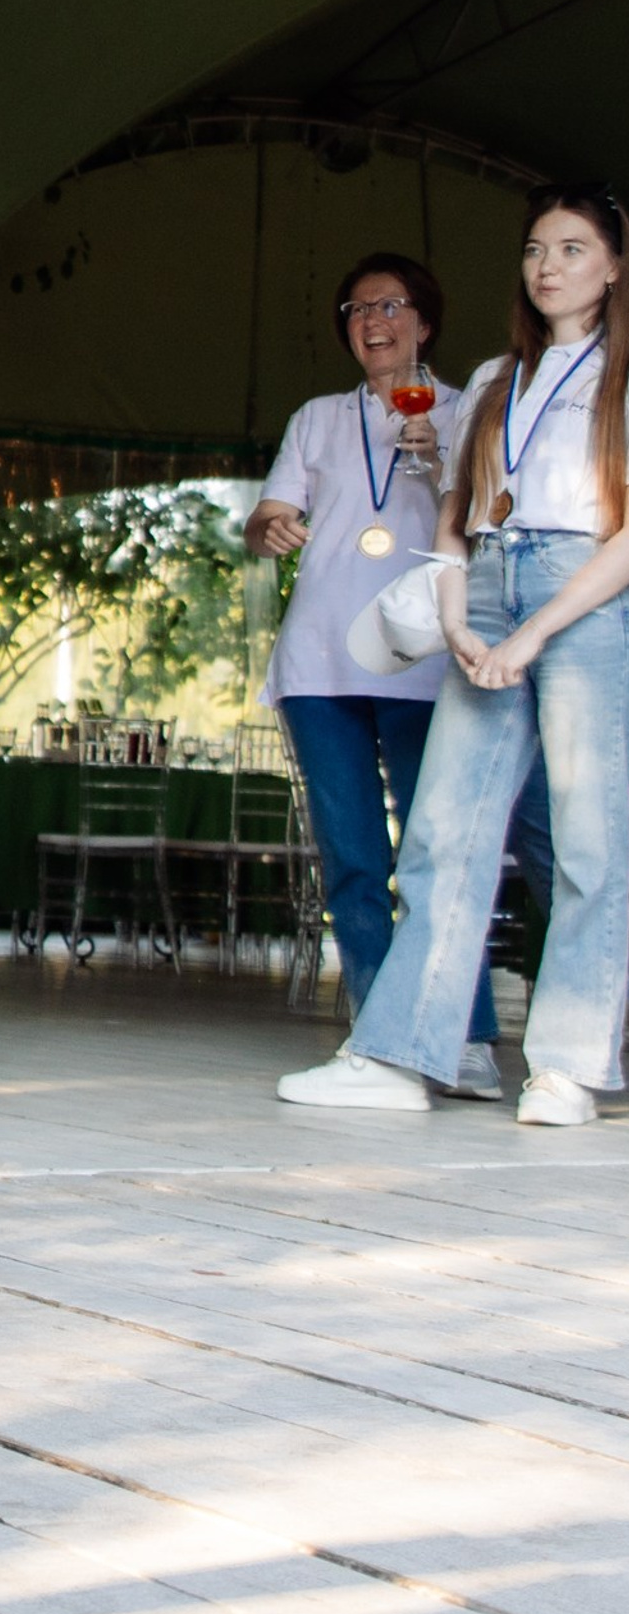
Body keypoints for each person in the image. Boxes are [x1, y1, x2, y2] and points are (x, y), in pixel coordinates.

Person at [279, 183, 629, 1127]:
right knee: (442, 831)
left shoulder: (621, 377)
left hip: (584, 589)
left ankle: (569, 1068)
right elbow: (454, 511)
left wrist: (537, 630)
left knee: (590, 841)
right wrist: (458, 617)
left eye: (572, 249)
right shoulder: (493, 377)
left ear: (613, 267)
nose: (548, 267)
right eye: (535, 250)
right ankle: (403, 1054)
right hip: (481, 582)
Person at [247, 254, 512, 1095]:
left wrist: (444, 459)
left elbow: (497, 520)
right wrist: (269, 528)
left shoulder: (470, 408)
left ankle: (465, 1037)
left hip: (427, 658)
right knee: (353, 861)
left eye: (391, 306)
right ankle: (378, 1035)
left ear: (424, 324)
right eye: (357, 309)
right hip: (321, 660)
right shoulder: (318, 418)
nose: (372, 320)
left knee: (439, 856)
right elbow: (266, 515)